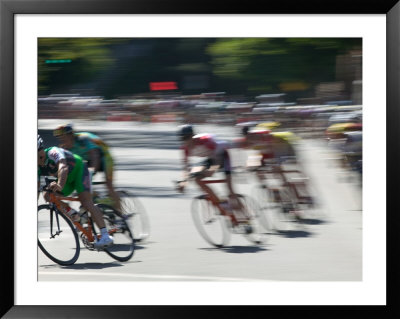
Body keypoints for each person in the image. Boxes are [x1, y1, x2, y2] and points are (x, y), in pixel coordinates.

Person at [37, 134, 113, 249]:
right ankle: (73, 214)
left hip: (80, 171)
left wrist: (59, 185)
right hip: (67, 181)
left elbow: (63, 167)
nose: (39, 157)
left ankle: (105, 235)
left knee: (86, 202)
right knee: (47, 195)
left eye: (40, 151)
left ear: (42, 148)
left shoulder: (53, 151)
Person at [176, 124, 247, 223]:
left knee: (230, 191)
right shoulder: (185, 149)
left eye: (187, 138)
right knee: (196, 178)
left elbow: (217, 158)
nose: (186, 141)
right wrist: (183, 183)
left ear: (193, 136)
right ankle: (220, 203)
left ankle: (246, 218)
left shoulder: (204, 141)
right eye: (182, 139)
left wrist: (212, 171)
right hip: (211, 159)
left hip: (223, 156)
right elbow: (186, 168)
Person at [53, 124, 123, 215]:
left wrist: (92, 170)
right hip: (89, 160)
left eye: (63, 136)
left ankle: (121, 215)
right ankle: (97, 198)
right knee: (83, 184)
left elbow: (95, 155)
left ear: (71, 135)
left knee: (109, 184)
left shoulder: (83, 139)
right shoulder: (64, 148)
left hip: (104, 157)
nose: (62, 139)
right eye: (59, 137)